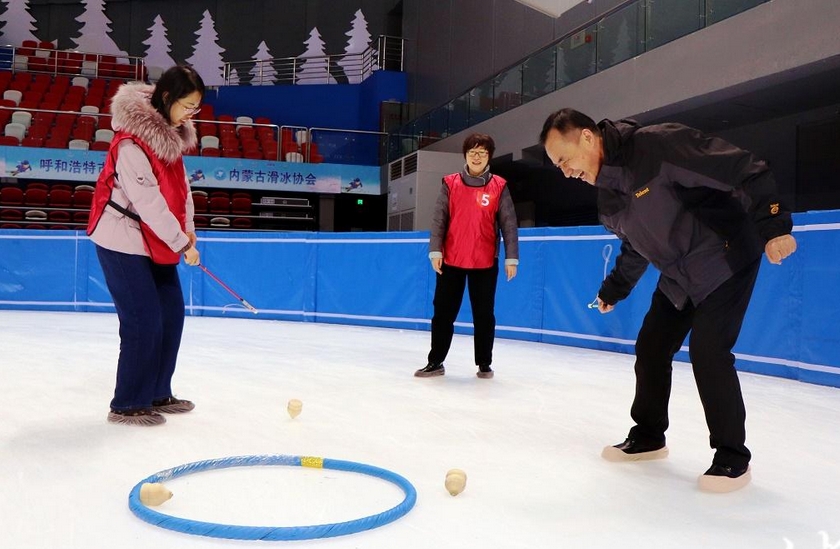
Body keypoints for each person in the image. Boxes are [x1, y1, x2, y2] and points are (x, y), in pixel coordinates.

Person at [540, 108, 797, 493]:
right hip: (681, 275)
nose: (565, 172)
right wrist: (613, 290)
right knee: (652, 346)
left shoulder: (656, 145)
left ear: (588, 138)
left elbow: (745, 168)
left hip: (725, 257)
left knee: (708, 351)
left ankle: (731, 457)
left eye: (564, 159)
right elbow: (635, 247)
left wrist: (774, 226)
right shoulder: (608, 197)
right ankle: (647, 436)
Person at [87, 65, 205, 426]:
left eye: (196, 109)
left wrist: (188, 231)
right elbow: (149, 202)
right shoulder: (130, 143)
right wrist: (180, 244)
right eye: (187, 106)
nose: (191, 115)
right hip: (120, 238)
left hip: (157, 240)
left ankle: (157, 392)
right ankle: (127, 402)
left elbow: (181, 192)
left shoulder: (172, 137)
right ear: (166, 98)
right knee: (143, 318)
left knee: (170, 312)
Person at [415, 133, 519, 379]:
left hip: (484, 262)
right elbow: (439, 218)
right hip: (450, 261)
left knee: (484, 315)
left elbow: (509, 224)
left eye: (482, 152)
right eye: (472, 151)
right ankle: (436, 361)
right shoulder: (450, 183)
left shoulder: (499, 186)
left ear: (489, 157)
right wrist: (435, 250)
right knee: (443, 313)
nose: (476, 156)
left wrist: (511, 258)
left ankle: (484, 363)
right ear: (465, 155)